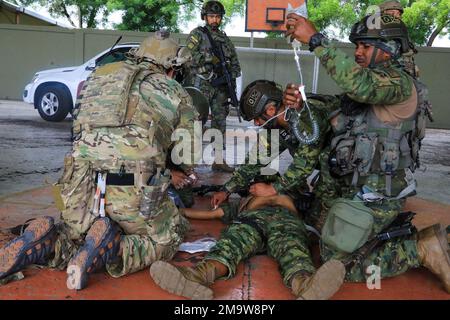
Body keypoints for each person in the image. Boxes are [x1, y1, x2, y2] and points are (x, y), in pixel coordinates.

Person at [0, 31, 200, 290]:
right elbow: (187, 157)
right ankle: (114, 246)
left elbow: (79, 132)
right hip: (131, 191)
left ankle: (48, 242)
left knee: (76, 235)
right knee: (168, 237)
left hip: (76, 190)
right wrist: (172, 166)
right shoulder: (175, 92)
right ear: (172, 68)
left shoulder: (98, 77)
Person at [283, 13, 449, 292]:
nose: (357, 52)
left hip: (376, 194)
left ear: (389, 50)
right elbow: (337, 108)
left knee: (338, 267)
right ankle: (379, 235)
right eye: (356, 46)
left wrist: (315, 40)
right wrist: (302, 105)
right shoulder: (373, 86)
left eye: (366, 47)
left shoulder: (398, 83)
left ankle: (419, 248)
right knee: (314, 232)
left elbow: (357, 85)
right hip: (351, 187)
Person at [149, 80, 346, 300]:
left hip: (336, 163)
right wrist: (227, 189)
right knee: (234, 241)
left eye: (257, 118)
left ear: (271, 109)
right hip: (256, 220)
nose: (256, 123)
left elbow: (303, 167)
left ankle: (305, 284)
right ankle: (196, 276)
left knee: (294, 244)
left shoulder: (307, 117)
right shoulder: (275, 131)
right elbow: (254, 162)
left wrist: (274, 189)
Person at [184, 0, 241, 173]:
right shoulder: (198, 35)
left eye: (217, 17)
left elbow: (235, 63)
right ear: (204, 17)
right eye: (211, 17)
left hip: (220, 87)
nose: (214, 20)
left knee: (220, 122)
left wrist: (231, 79)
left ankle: (218, 160)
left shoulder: (224, 38)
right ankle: (187, 163)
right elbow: (186, 57)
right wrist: (208, 59)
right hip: (202, 83)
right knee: (195, 122)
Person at [379, 0, 420, 78]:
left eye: (398, 14)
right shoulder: (374, 33)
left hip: (406, 76)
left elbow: (407, 53)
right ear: (382, 14)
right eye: (392, 13)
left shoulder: (401, 32)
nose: (397, 16)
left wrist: (413, 67)